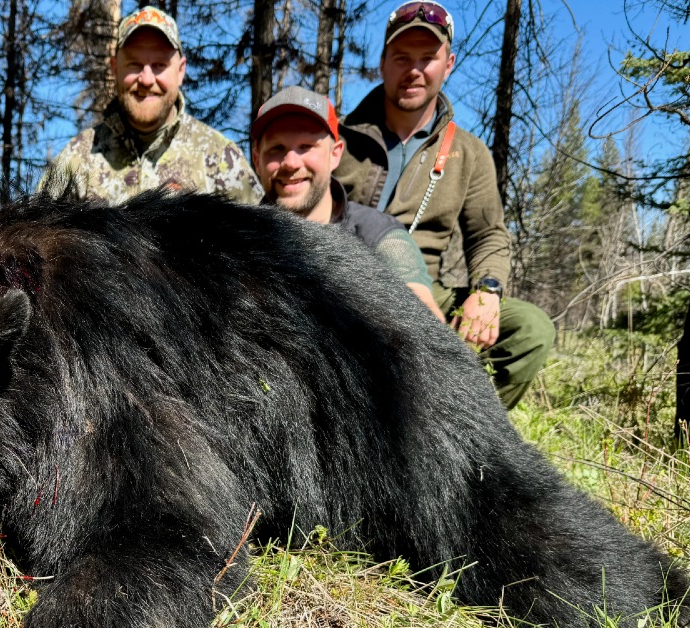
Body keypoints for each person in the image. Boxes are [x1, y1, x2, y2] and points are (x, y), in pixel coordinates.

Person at [332, 0, 555, 409]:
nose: (414, 70)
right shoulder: (338, 142)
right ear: (383, 63)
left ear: (448, 64)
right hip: (344, 282)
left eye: (427, 58)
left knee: (530, 329)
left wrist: (487, 291)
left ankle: (459, 434)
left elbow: (489, 234)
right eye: (401, 57)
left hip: (425, 293)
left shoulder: (468, 153)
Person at [250, 86, 446, 321]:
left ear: (335, 154)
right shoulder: (237, 242)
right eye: (276, 149)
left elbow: (423, 314)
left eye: (306, 147)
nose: (291, 162)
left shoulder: (376, 234)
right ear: (256, 160)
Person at [43, 6, 261, 204]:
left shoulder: (221, 159)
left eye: (159, 65)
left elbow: (260, 241)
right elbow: (37, 239)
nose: (147, 79)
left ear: (181, 71)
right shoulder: (77, 160)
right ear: (115, 69)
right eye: (134, 64)